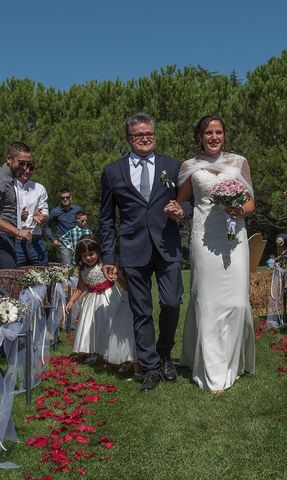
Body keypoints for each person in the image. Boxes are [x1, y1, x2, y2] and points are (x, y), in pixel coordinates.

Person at [99, 112, 187, 392]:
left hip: (168, 245)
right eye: (138, 135)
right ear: (128, 139)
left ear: (155, 136)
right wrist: (109, 257)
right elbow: (105, 218)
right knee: (141, 310)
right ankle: (149, 367)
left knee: (172, 302)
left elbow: (192, 202)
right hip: (132, 249)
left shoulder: (174, 167)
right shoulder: (113, 171)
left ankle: (164, 353)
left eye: (149, 133)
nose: (145, 138)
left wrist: (181, 210)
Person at [174, 114, 256, 394]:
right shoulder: (189, 166)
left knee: (237, 303)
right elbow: (181, 200)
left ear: (224, 135)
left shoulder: (239, 162)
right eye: (208, 133)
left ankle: (235, 360)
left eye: (218, 132)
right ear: (199, 136)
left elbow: (251, 202)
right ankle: (212, 371)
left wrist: (239, 209)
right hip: (203, 237)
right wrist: (175, 210)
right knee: (207, 302)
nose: (213, 137)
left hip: (234, 238)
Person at [66, 237, 138, 371]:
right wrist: (71, 300)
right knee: (92, 326)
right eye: (84, 255)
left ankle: (111, 353)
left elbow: (118, 280)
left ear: (98, 252)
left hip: (108, 296)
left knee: (110, 325)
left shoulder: (104, 265)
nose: (88, 258)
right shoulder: (82, 270)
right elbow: (80, 288)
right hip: (91, 300)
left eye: (91, 254)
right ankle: (93, 352)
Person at [0, 142, 33, 269]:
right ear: (9, 159)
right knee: (4, 286)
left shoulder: (10, 180)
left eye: (28, 164)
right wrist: (18, 231)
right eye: (21, 163)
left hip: (5, 239)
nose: (25, 168)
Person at [14, 156, 49, 266]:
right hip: (16, 240)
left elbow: (45, 211)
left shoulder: (39, 188)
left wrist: (42, 217)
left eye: (31, 168)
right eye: (24, 167)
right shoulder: (9, 187)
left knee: (42, 278)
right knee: (15, 278)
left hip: (36, 239)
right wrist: (18, 218)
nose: (27, 170)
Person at [44, 188, 83, 265]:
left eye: (67, 197)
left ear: (71, 197)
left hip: (77, 240)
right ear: (60, 199)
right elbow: (46, 226)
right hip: (64, 242)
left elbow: (84, 224)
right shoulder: (55, 211)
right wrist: (53, 239)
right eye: (63, 198)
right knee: (67, 265)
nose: (65, 199)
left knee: (80, 264)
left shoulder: (78, 209)